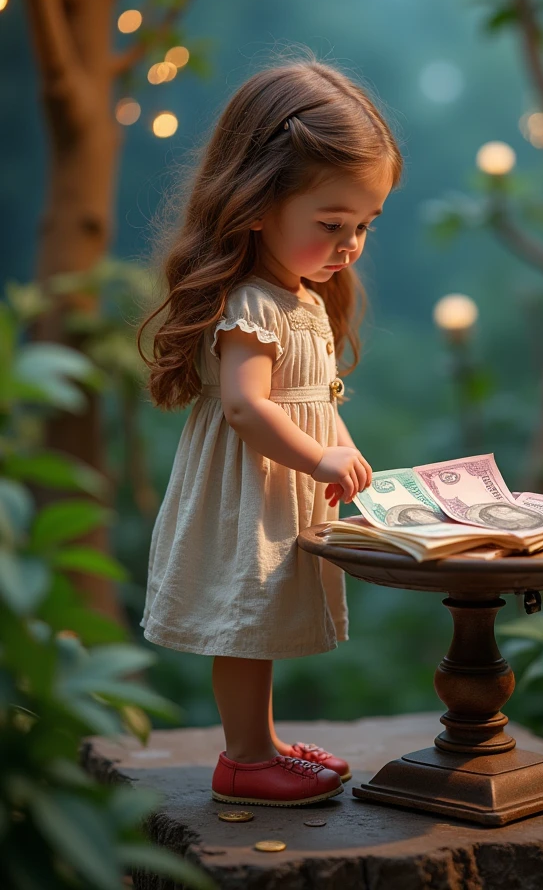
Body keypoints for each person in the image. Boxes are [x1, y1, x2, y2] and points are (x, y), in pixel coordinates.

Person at [137, 53, 404, 807]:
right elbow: (247, 408)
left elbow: (312, 393)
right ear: (256, 203)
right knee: (245, 617)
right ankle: (245, 757)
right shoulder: (251, 305)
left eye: (364, 225)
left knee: (266, 614)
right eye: (331, 224)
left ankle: (265, 743)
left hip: (284, 484)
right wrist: (321, 454)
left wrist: (340, 444)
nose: (350, 244)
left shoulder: (302, 299)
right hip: (246, 489)